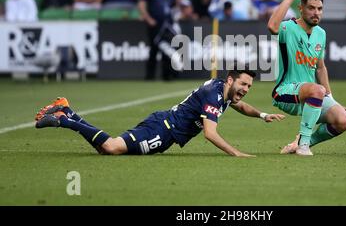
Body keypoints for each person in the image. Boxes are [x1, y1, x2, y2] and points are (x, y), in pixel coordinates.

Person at [34, 69, 285, 156]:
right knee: (110, 147)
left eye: (249, 86)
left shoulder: (224, 91)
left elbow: (239, 105)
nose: (246, 90)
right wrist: (236, 153)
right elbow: (210, 133)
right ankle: (64, 119)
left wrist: (262, 115)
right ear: (231, 80)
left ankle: (67, 109)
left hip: (165, 132)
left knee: (105, 149)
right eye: (243, 84)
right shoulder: (214, 94)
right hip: (162, 128)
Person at [267, 0, 346, 156]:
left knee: (343, 120)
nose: (316, 13)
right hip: (286, 92)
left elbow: (320, 68)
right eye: (311, 8)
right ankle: (303, 146)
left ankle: (300, 143)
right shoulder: (288, 27)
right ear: (301, 8)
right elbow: (272, 26)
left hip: (313, 94)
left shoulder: (321, 33)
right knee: (316, 90)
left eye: (320, 9)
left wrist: (331, 99)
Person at [138, 0, 177, 80]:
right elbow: (141, 4)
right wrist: (148, 18)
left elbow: (173, 6)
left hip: (167, 24)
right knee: (154, 49)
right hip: (155, 24)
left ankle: (167, 75)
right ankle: (150, 76)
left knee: (167, 50)